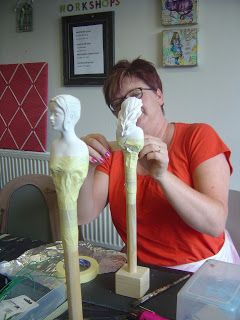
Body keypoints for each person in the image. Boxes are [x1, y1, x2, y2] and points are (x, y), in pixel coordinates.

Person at [78, 58, 240, 272]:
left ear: (159, 95)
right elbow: (83, 215)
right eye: (118, 104)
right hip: (142, 269)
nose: (127, 106)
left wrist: (163, 176)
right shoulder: (114, 153)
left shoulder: (198, 137)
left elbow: (214, 223)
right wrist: (85, 165)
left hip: (203, 270)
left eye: (135, 95)